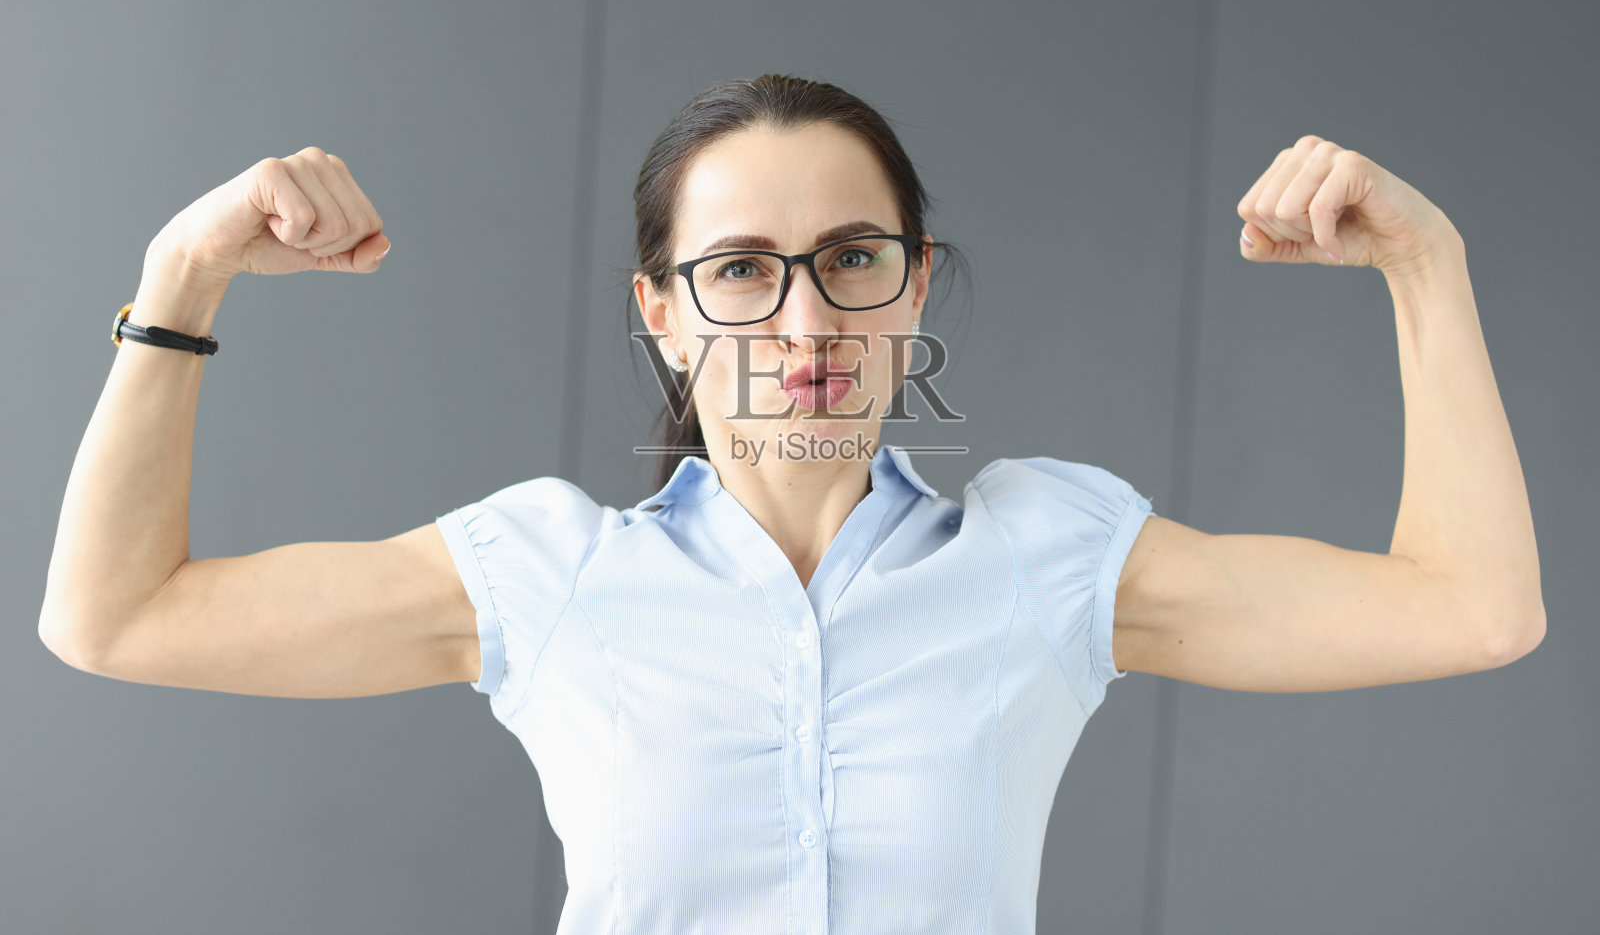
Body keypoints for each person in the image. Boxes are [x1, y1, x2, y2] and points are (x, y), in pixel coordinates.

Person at [41, 73, 1544, 934]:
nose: (807, 325)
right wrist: (187, 275)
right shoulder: (546, 575)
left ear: (916, 286)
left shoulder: (1046, 561)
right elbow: (115, 618)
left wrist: (1429, 264)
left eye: (852, 259)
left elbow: (1474, 609)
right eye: (742, 270)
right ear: (664, 314)